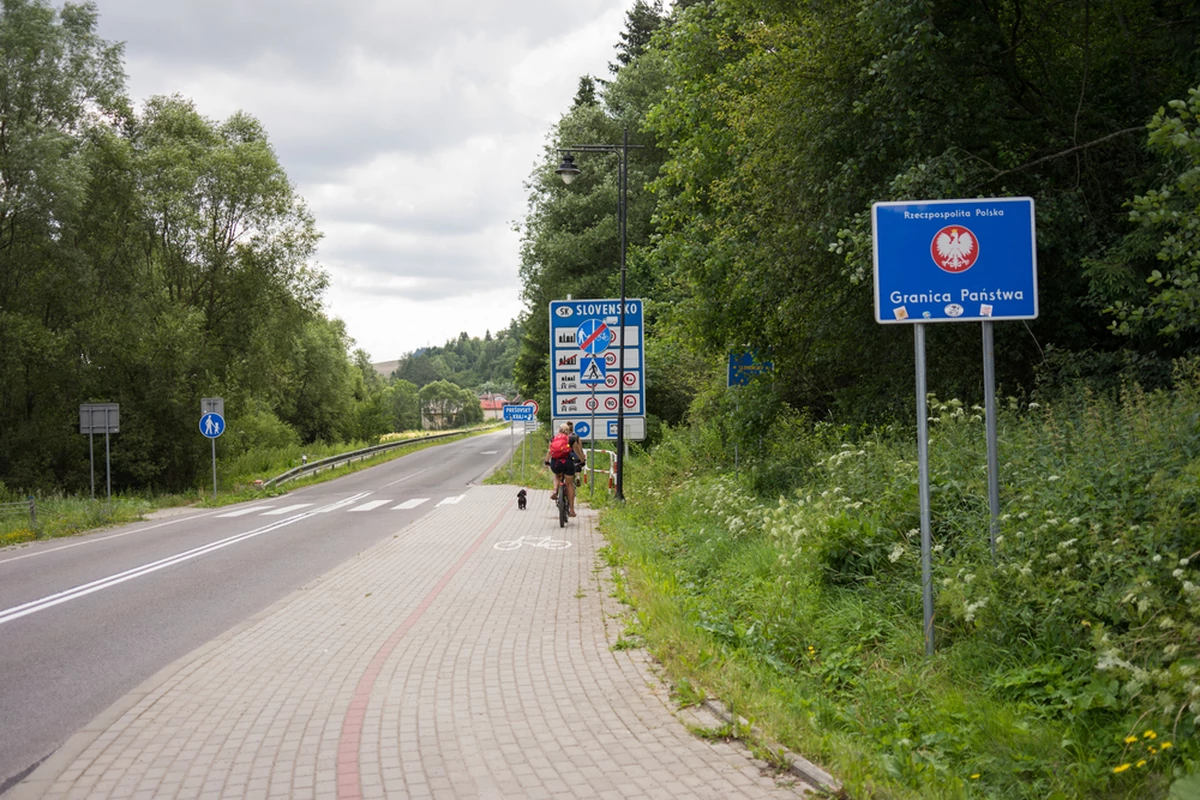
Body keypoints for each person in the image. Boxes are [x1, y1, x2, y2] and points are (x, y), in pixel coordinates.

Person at [546, 423, 585, 517]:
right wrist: (582, 461)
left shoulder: (553, 439)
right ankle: (571, 509)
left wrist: (546, 461)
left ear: (559, 430)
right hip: (567, 463)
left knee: (556, 475)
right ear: (568, 431)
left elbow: (549, 451)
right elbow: (578, 451)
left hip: (555, 463)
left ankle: (555, 490)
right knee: (570, 485)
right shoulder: (570, 439)